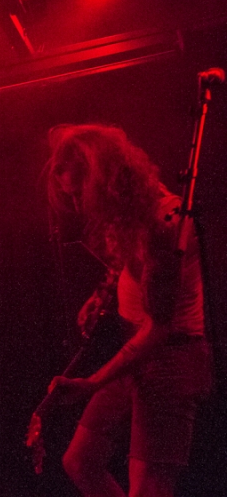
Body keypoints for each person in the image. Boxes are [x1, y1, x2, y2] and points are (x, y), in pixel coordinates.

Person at [46, 124, 212, 497]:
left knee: (147, 489)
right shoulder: (131, 212)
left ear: (104, 180)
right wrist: (102, 293)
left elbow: (158, 328)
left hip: (170, 360)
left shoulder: (164, 224)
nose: (78, 206)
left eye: (79, 193)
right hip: (137, 356)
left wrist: (92, 382)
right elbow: (129, 264)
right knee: (80, 461)